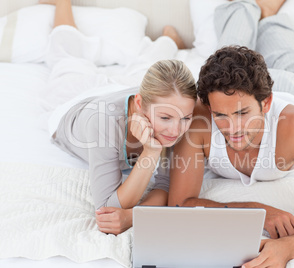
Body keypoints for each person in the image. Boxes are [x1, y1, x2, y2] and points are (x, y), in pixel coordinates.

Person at [168, 0, 294, 267]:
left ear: (266, 104)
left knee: (290, 57)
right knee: (226, 56)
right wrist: (255, 211)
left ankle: (271, 16)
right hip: (241, 91)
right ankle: (246, 7)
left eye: (241, 114)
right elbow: (179, 205)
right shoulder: (200, 119)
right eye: (221, 116)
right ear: (209, 108)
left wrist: (287, 248)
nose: (232, 128)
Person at [39, 0, 197, 235]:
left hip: (122, 91)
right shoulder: (102, 123)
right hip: (75, 101)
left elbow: (165, 186)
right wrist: (152, 152)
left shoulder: (174, 112)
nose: (176, 131)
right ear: (141, 104)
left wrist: (133, 217)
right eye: (166, 118)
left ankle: (170, 40)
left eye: (186, 118)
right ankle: (63, 3)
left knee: (143, 67)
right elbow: (107, 207)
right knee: (68, 58)